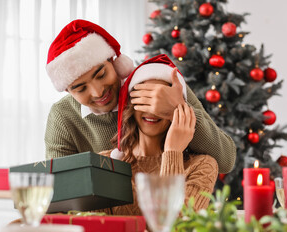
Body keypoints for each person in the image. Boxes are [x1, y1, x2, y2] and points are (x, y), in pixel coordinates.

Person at [45, 19, 236, 173]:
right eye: (80, 88)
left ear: (114, 61)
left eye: (101, 74)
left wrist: (178, 109)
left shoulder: (156, 83)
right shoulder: (63, 117)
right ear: (68, 91)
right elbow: (61, 190)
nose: (97, 92)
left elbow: (226, 161)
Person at [98, 54, 218, 216]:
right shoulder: (103, 165)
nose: (152, 110)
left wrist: (172, 152)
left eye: (162, 102)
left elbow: (177, 228)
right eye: (145, 100)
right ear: (130, 105)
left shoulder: (202, 166)